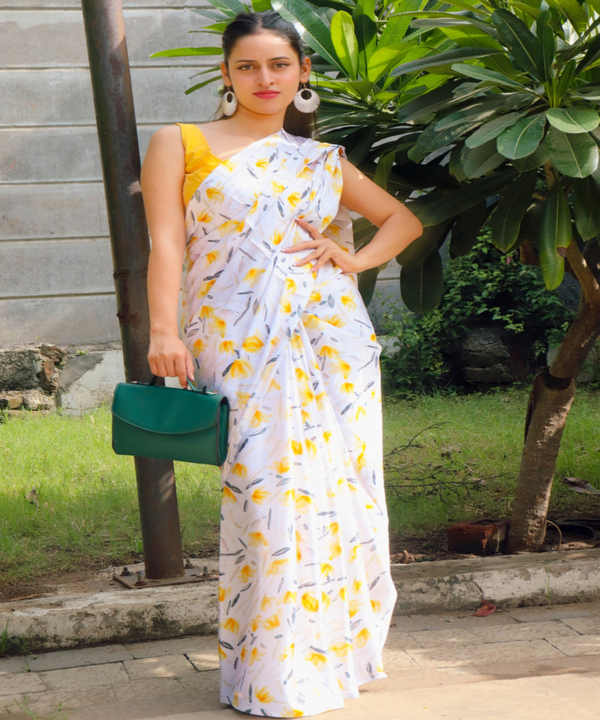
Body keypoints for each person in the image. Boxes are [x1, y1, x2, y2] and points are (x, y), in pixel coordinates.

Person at [140, 10, 422, 717]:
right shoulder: (181, 143)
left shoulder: (320, 158)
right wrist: (164, 331)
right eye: (248, 66)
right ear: (226, 73)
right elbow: (167, 244)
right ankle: (270, 672)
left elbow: (403, 221)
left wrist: (351, 259)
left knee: (342, 490)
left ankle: (332, 658)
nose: (264, 79)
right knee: (264, 494)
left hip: (330, 341)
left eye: (279, 65)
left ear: (302, 74)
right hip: (236, 338)